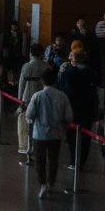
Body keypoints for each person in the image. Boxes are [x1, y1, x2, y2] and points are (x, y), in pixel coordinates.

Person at [25, 66, 73, 198]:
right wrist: (63, 127)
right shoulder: (62, 96)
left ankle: (42, 184)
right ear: (55, 81)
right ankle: (51, 182)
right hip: (56, 134)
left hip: (39, 134)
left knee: (40, 160)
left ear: (42, 81)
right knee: (53, 160)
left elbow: (29, 115)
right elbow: (69, 116)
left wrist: (31, 122)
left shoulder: (37, 96)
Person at [58, 47, 98, 169]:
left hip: (74, 108)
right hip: (88, 109)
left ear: (77, 59)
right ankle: (81, 160)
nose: (69, 58)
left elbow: (65, 87)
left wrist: (62, 72)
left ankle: (75, 161)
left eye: (72, 56)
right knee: (85, 136)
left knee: (72, 136)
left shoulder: (71, 72)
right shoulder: (90, 72)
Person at [17, 43, 50, 163]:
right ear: (41, 54)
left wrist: (20, 99)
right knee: (40, 124)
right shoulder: (46, 66)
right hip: (43, 97)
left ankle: (28, 149)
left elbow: (21, 84)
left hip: (28, 96)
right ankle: (39, 150)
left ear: (31, 53)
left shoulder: (26, 66)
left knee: (28, 125)